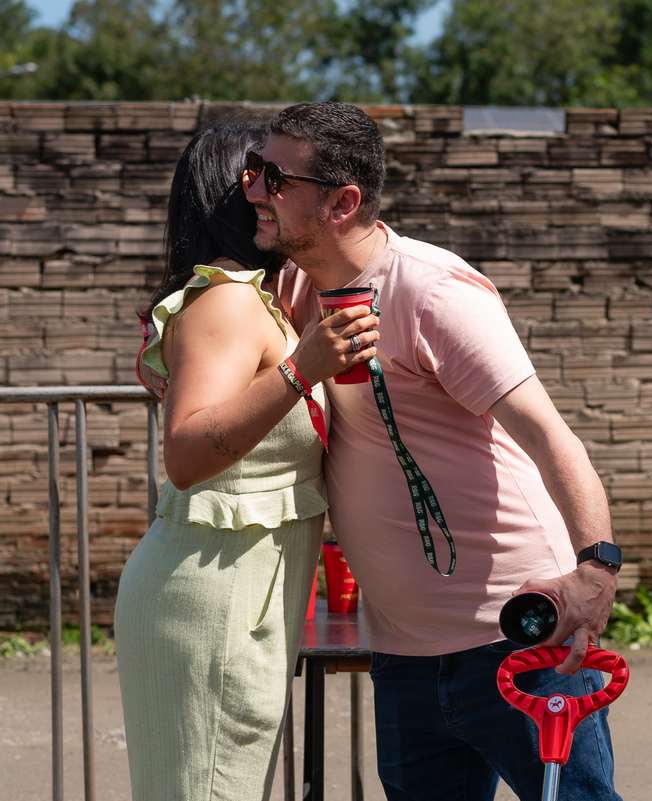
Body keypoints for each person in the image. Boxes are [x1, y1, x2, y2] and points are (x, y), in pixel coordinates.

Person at [248, 101, 623, 801]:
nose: (253, 188)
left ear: (342, 201)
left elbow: (550, 435)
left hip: (518, 640)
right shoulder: (293, 288)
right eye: (253, 169)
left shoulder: (433, 291)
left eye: (274, 175)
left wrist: (597, 569)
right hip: (401, 653)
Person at [114, 123, 380, 801]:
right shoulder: (229, 302)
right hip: (215, 590)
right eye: (263, 176)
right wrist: (302, 368)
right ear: (231, 194)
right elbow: (186, 453)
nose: (275, 190)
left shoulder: (251, 297)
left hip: (238, 588)